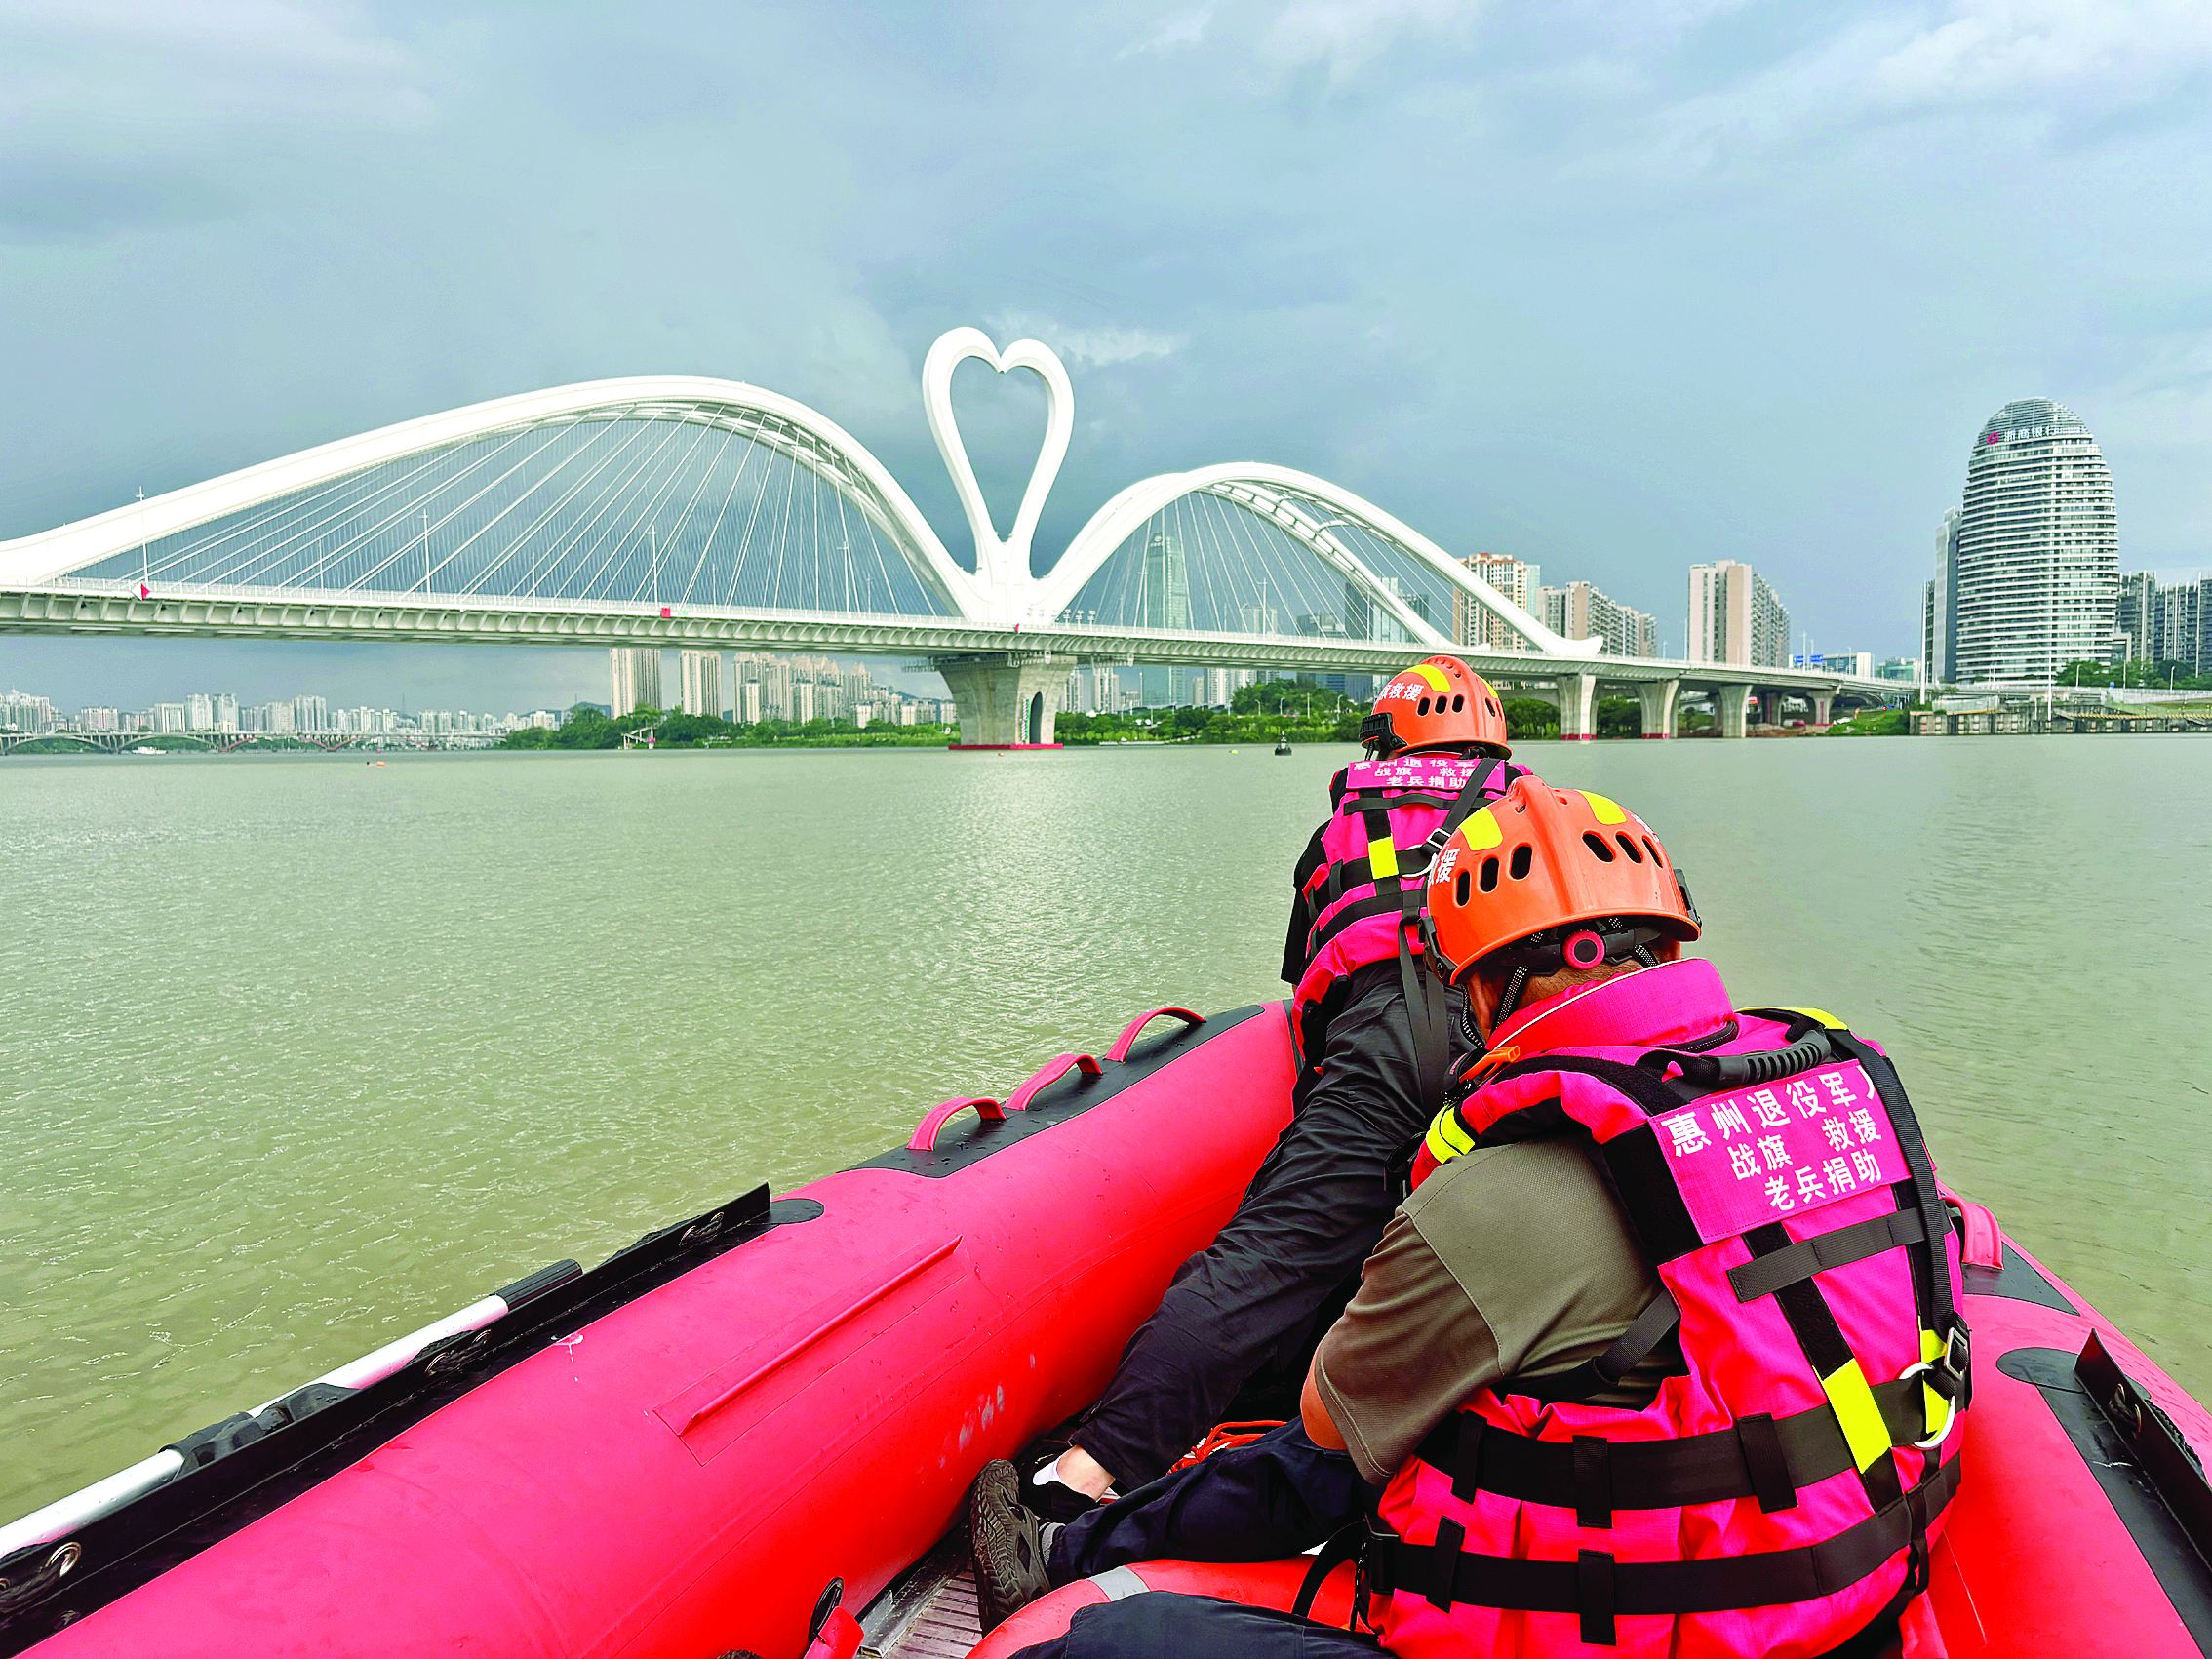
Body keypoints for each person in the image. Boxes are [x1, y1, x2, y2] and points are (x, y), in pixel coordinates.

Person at [975, 779, 1969, 1658]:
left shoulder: (1496, 1194)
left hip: (1632, 1618)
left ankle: (1064, 1551)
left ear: (1491, 987)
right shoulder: (1844, 1097)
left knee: (1121, 1638)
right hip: (1848, 1589)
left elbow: (1331, 1422)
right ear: (1670, 940)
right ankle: (1074, 1544)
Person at [977, 659, 1530, 1572]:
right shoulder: (1535, 814)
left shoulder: (1338, 835)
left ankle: (1084, 1471)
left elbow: (1310, 993)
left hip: (1382, 1036)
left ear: (1385, 747)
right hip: (1509, 1036)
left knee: (1267, 1257)